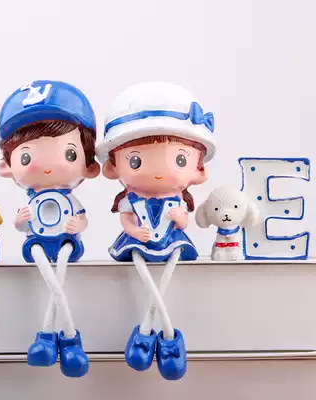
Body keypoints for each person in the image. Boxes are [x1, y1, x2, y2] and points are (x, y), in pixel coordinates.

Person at [96, 81, 216, 380]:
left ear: (199, 170)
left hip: (171, 242)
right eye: (136, 160)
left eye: (179, 159)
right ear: (113, 167)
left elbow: (184, 223)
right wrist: (135, 233)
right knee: (142, 267)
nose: (159, 171)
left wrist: (180, 217)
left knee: (168, 272)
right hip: (139, 242)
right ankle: (155, 334)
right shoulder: (130, 201)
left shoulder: (177, 200)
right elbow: (126, 221)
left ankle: (158, 336)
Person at [0, 80, 99, 378]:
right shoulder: (32, 201)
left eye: (70, 154)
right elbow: (20, 226)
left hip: (67, 242)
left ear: (90, 166)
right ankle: (63, 340)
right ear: (6, 166)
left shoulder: (71, 200)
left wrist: (77, 224)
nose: (49, 166)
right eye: (26, 156)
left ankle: (57, 338)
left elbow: (83, 219)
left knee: (59, 278)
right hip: (37, 243)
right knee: (55, 283)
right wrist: (21, 220)